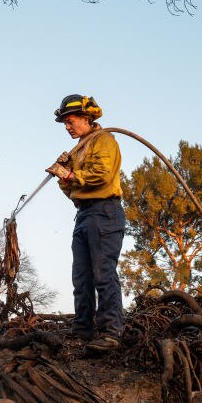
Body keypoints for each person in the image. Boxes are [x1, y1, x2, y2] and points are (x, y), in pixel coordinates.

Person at [45, 94, 126, 355]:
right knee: (81, 276)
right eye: (64, 123)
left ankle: (111, 333)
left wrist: (69, 174)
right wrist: (63, 174)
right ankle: (82, 330)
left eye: (70, 121)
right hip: (84, 215)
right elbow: (71, 191)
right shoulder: (77, 150)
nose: (67, 127)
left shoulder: (104, 140)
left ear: (86, 117)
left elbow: (101, 176)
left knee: (103, 273)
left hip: (105, 212)